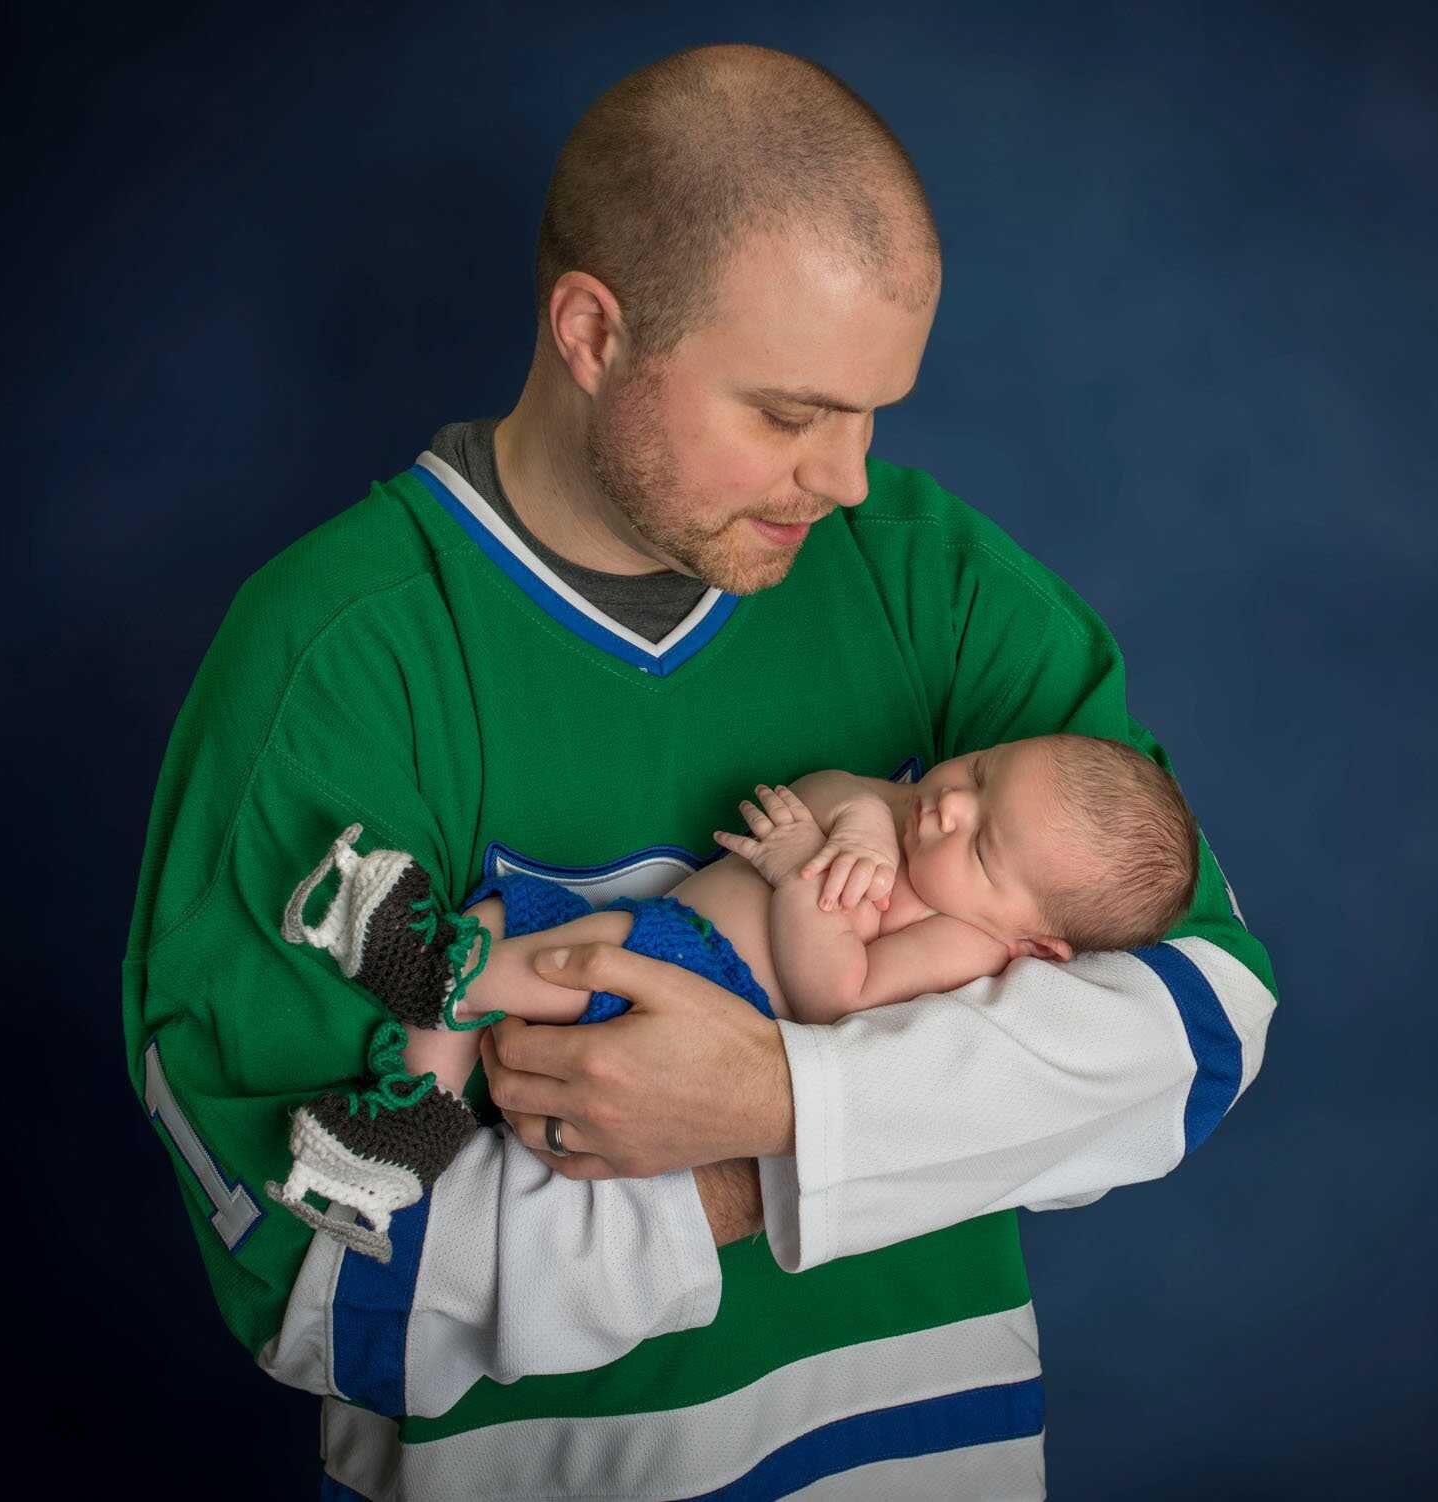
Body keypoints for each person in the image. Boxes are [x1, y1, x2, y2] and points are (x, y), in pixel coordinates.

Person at [120, 42, 1279, 1500]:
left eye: (878, 412)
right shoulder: (337, 657)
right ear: (594, 332)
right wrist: (816, 1154)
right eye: (792, 414)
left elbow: (1200, 1020)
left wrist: (776, 1105)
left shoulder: (932, 576)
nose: (852, 479)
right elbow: (330, 1300)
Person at [265, 733, 1202, 1263]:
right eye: (981, 771)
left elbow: (837, 992)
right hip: (659, 932)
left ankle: (438, 971)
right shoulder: (914, 827)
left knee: (598, 951)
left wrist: (806, 876)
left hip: (707, 993)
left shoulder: (962, 941)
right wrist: (865, 824)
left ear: (1033, 939)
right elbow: (829, 787)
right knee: (516, 912)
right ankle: (414, 1117)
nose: (949, 805)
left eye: (984, 843)